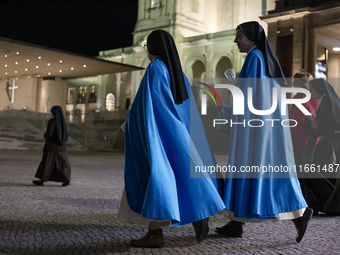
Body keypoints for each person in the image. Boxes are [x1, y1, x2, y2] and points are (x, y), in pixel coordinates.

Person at [116, 30, 225, 248]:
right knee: (170, 180)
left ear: (154, 48)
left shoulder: (155, 68)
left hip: (158, 135)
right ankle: (171, 224)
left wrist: (126, 126)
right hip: (177, 135)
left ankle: (156, 234)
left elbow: (146, 105)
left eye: (147, 47)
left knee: (155, 181)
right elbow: (186, 110)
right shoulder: (179, 73)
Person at [216, 21, 312, 243]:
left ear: (251, 37)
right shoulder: (265, 59)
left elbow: (247, 97)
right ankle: (236, 223)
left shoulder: (254, 58)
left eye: (239, 35)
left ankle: (300, 213)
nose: (236, 40)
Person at [305, 78, 340, 214]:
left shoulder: (326, 102)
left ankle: (334, 206)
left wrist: (315, 124)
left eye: (313, 89)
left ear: (319, 89)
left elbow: (329, 124)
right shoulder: (329, 101)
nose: (311, 92)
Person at [33, 106, 71, 187]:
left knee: (47, 163)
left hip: (52, 147)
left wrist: (45, 135)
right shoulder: (63, 122)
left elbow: (49, 134)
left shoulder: (52, 121)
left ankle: (42, 180)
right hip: (61, 147)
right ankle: (66, 178)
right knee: (63, 163)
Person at [289, 70, 319, 167]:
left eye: (296, 82)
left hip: (299, 143)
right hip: (309, 141)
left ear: (303, 84)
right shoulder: (312, 100)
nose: (293, 84)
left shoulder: (300, 99)